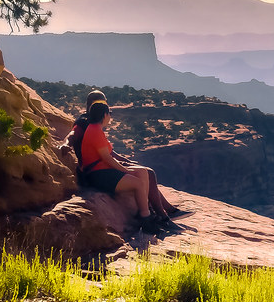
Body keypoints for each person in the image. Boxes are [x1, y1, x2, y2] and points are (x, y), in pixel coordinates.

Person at [61, 90, 186, 224]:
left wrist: (126, 161)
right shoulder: (85, 122)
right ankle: (161, 214)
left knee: (146, 172)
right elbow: (73, 135)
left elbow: (106, 150)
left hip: (103, 163)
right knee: (147, 174)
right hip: (97, 168)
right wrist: (66, 144)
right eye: (101, 103)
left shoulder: (95, 122)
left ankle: (164, 211)